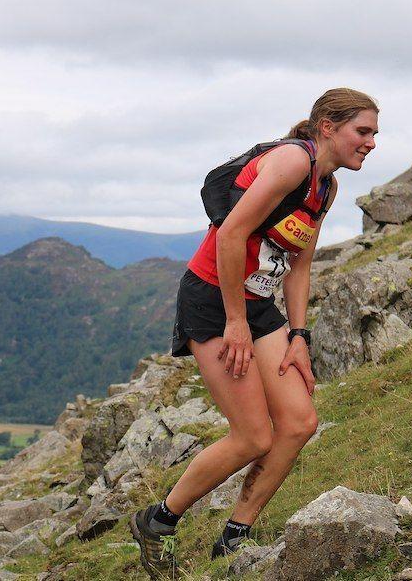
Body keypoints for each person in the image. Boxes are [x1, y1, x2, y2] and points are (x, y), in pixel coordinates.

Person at [130, 87, 379, 578]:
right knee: (251, 436)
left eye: (374, 134)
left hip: (259, 302)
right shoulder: (292, 162)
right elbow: (230, 235)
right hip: (213, 298)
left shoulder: (326, 186)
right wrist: (235, 322)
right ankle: (157, 522)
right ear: (327, 126)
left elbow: (300, 266)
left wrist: (299, 338)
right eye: (363, 131)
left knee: (298, 422)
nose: (371, 143)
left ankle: (235, 535)